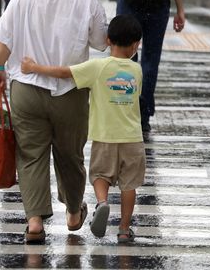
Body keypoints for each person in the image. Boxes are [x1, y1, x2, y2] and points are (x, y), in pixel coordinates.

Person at [0, 0, 108, 243]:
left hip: (26, 91)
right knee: (70, 155)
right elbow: (100, 43)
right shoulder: (89, 1)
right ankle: (72, 211)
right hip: (70, 91)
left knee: (30, 155)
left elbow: (4, 39)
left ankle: (34, 222)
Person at [20, 14, 145, 243]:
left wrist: (34, 67)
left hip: (104, 137)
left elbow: (65, 72)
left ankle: (102, 202)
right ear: (136, 45)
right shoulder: (136, 71)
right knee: (129, 185)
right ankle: (125, 229)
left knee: (99, 175)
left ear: (108, 40)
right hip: (132, 139)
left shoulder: (98, 67)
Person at [116, 0, 185, 140]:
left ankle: (125, 112)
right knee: (150, 61)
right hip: (158, 5)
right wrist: (180, 10)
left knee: (125, 60)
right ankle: (143, 116)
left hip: (129, 2)